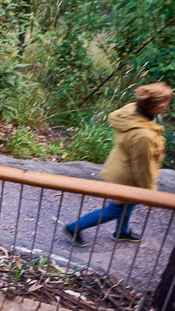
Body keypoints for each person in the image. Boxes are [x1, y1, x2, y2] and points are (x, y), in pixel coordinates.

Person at [63, 82, 173, 247]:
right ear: (157, 106)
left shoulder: (132, 112)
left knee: (127, 205)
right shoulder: (144, 135)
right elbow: (143, 168)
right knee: (117, 208)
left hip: (119, 167)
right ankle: (73, 228)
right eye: (166, 103)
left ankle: (122, 231)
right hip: (128, 177)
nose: (167, 107)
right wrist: (150, 193)